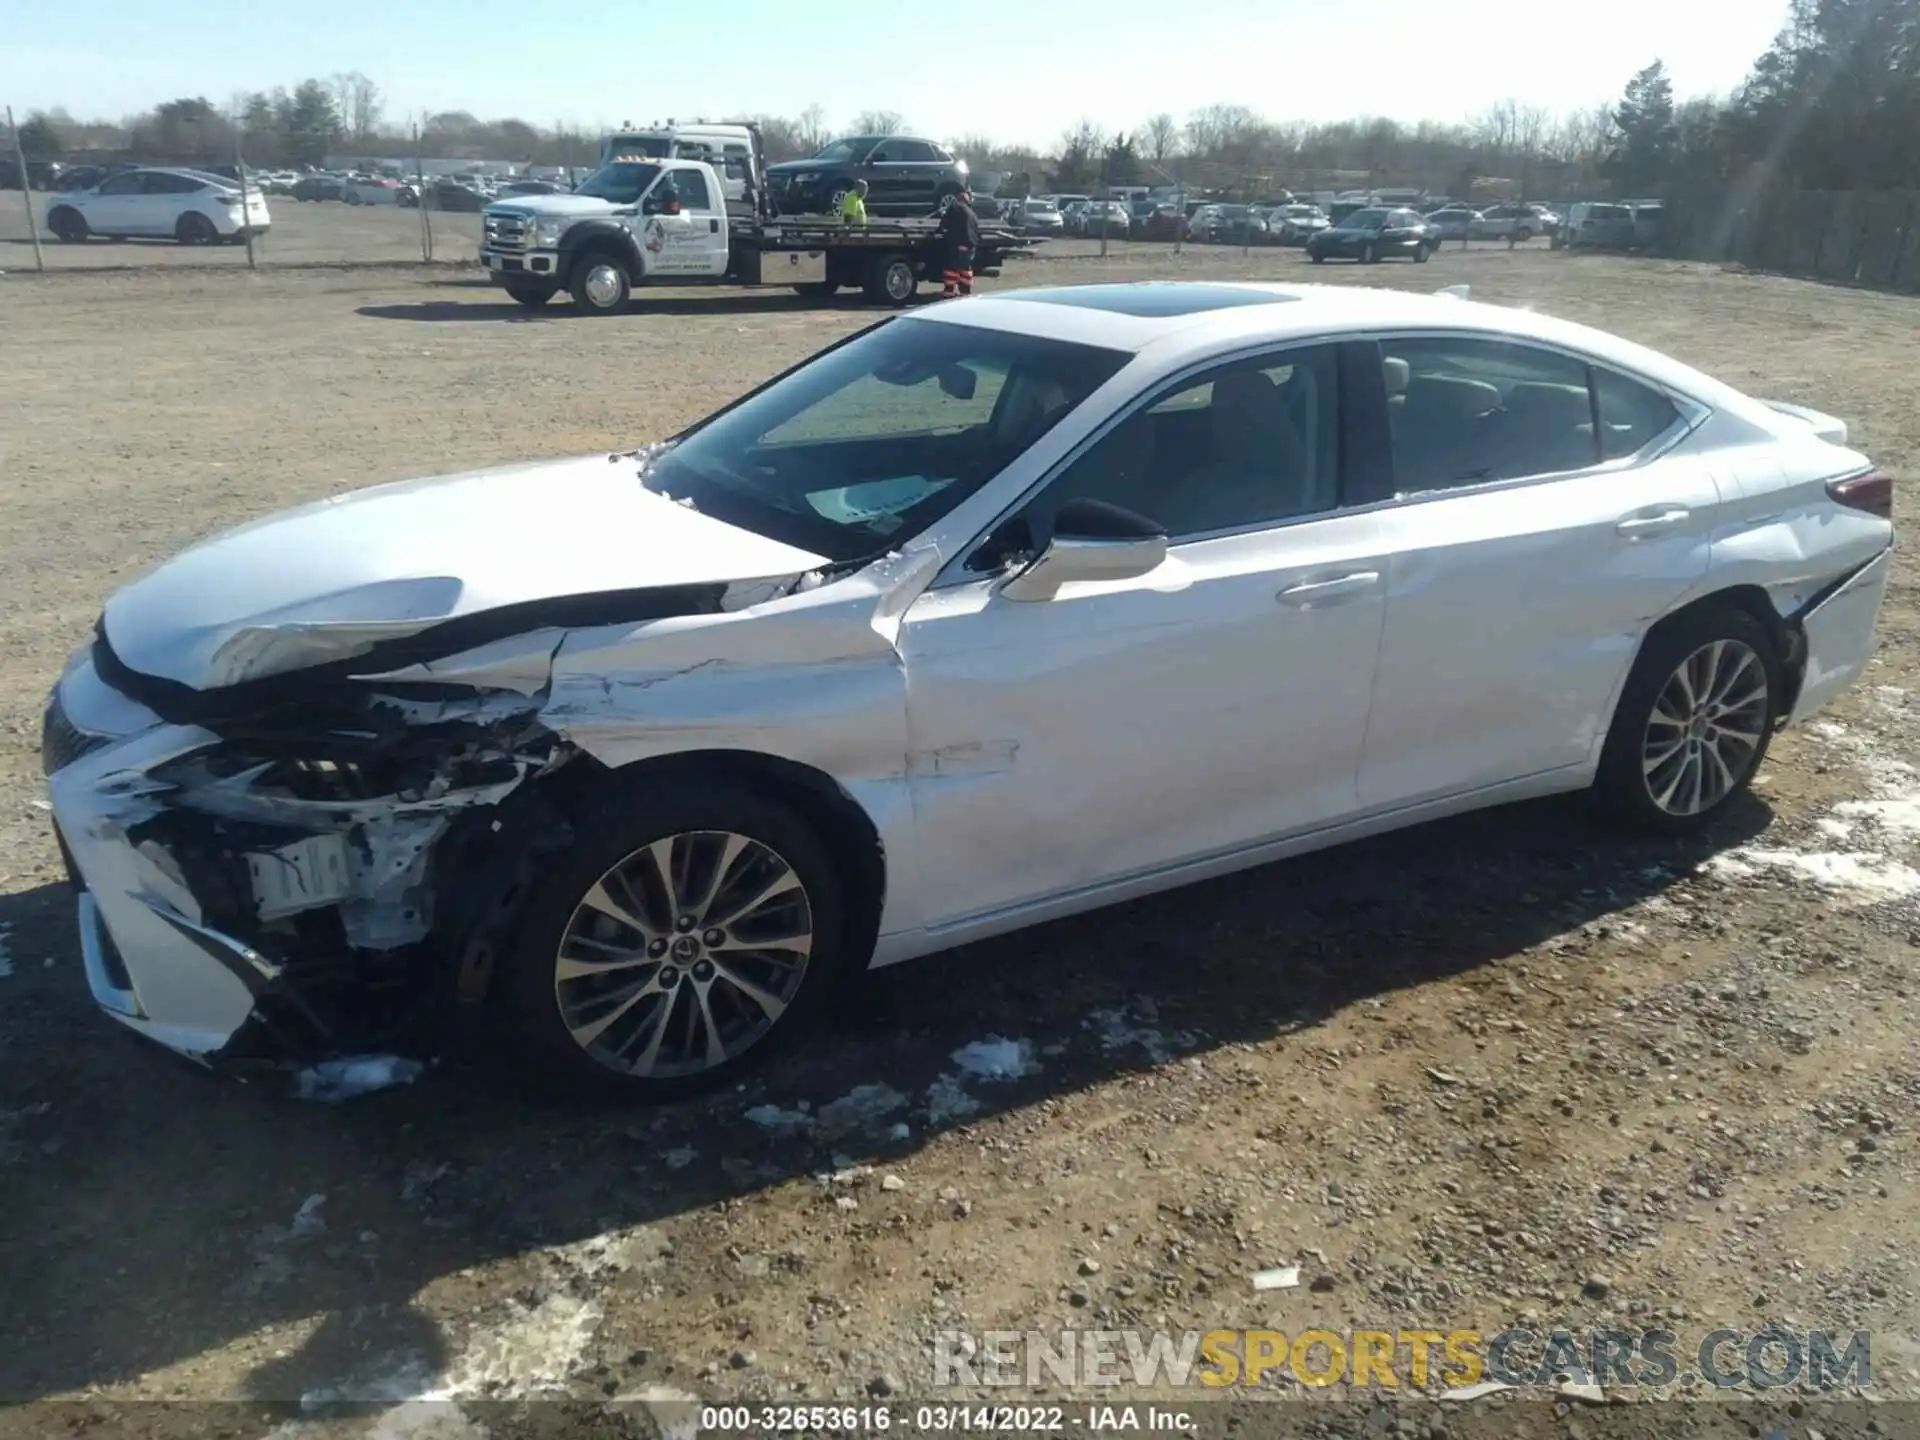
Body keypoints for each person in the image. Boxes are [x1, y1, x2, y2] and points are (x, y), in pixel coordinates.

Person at [939, 188, 980, 298]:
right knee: (965, 271)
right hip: (969, 246)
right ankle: (965, 294)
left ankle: (948, 293)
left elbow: (944, 224)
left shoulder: (954, 209)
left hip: (956, 245)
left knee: (952, 270)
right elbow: (976, 230)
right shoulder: (972, 213)